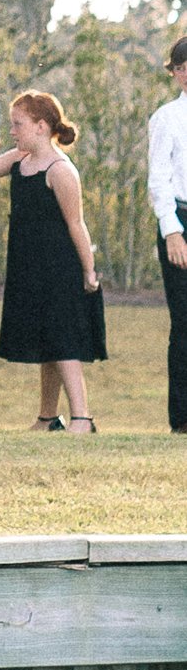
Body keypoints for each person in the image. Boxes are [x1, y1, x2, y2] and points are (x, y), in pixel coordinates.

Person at [0, 87, 104, 429]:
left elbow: (76, 224)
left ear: (40, 126)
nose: (12, 131)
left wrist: (89, 271)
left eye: (18, 124)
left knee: (63, 339)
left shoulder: (61, 170)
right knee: (46, 341)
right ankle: (48, 417)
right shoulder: (18, 159)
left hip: (59, 267)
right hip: (29, 266)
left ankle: (82, 417)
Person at [150, 36, 187, 434]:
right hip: (181, 218)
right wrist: (172, 230)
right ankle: (183, 418)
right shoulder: (167, 119)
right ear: (175, 73)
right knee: (186, 321)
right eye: (182, 66)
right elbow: (158, 179)